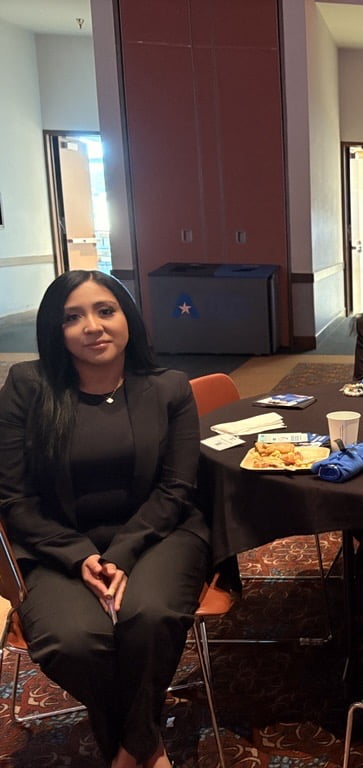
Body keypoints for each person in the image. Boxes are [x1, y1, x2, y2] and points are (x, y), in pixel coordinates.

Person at [0, 270, 209, 768]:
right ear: (56, 328)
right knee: (72, 641)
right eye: (73, 317)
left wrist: (120, 553)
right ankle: (145, 744)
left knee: (150, 615)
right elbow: (14, 497)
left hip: (159, 533)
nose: (92, 326)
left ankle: (128, 749)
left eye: (105, 311)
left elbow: (177, 488)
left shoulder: (169, 388)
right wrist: (80, 557)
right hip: (56, 543)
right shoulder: (28, 386)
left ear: (128, 319)